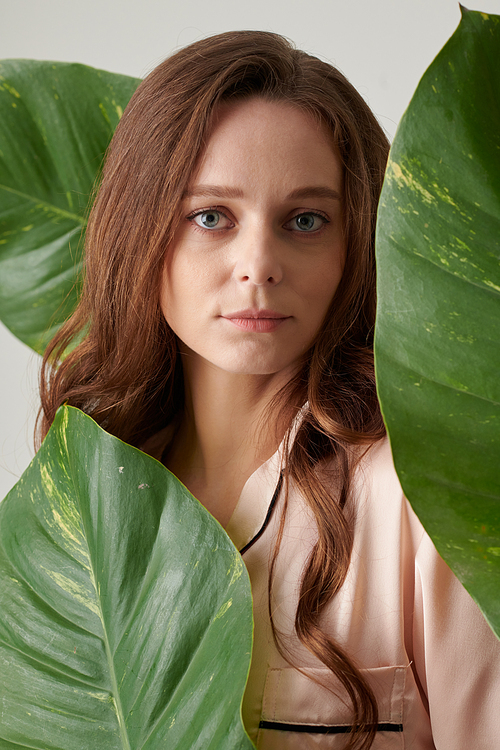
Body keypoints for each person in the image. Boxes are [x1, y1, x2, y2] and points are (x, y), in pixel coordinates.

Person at [38, 30, 500, 750]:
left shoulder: (415, 494)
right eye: (211, 217)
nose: (258, 264)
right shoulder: (85, 493)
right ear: (141, 228)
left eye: (305, 220)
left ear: (360, 243)